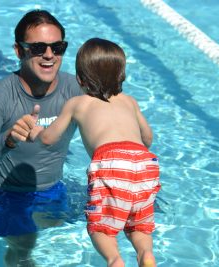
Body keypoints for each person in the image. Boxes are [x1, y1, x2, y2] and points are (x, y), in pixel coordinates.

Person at [29, 38, 161, 267]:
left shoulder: (78, 103)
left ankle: (114, 260)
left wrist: (35, 130)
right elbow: (148, 139)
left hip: (111, 162)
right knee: (138, 224)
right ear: (122, 75)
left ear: (80, 79)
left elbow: (49, 139)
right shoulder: (129, 101)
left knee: (101, 228)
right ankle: (146, 256)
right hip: (145, 163)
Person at [0, 10, 82, 267]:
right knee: (24, 251)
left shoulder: (76, 91)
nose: (49, 55)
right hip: (4, 195)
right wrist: (8, 140)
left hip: (53, 189)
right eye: (38, 47)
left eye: (58, 47)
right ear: (19, 51)